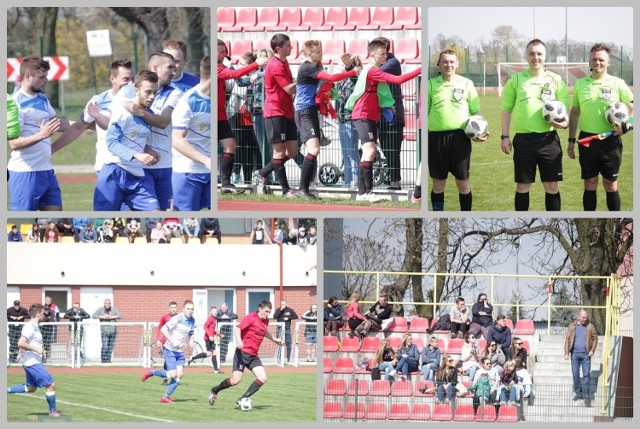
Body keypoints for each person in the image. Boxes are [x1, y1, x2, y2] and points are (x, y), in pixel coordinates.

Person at [345, 39, 422, 202]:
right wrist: (421, 69)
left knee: (368, 152)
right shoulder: (372, 71)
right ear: (372, 54)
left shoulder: (372, 69)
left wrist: (386, 107)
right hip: (362, 114)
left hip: (370, 115)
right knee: (370, 150)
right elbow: (398, 80)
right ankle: (367, 192)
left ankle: (362, 192)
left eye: (386, 53)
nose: (385, 56)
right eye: (382, 54)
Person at [501, 39, 569, 211]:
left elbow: (564, 110)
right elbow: (506, 110)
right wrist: (505, 137)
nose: (535, 57)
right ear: (527, 56)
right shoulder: (516, 80)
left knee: (552, 187)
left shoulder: (556, 80)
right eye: (531, 53)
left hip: (549, 140)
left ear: (545, 56)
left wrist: (565, 123)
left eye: (539, 54)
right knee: (522, 187)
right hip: (524, 141)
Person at [568, 43, 634, 211]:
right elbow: (575, 112)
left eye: (601, 59)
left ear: (608, 62)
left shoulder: (617, 83)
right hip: (587, 139)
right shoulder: (581, 84)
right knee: (589, 183)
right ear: (589, 62)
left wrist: (628, 125)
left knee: (610, 184)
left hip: (610, 139)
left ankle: (614, 225)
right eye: (594, 59)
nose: (597, 62)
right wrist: (571, 140)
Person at [293, 40, 360, 199]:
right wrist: (351, 72)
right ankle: (302, 189)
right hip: (304, 112)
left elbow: (327, 85)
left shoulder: (314, 67)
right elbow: (332, 77)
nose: (321, 53)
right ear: (309, 54)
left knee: (314, 151)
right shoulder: (307, 67)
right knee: (313, 150)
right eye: (318, 51)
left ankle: (306, 188)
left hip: (311, 111)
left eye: (321, 50)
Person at [8, 56, 74, 211]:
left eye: (46, 76)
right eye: (41, 77)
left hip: (47, 171)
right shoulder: (15, 103)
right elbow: (14, 143)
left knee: (54, 219)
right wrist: (41, 135)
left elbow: (58, 123)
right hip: (24, 174)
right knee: (25, 224)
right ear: (27, 77)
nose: (46, 80)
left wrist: (85, 124)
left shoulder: (42, 99)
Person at [93, 69, 161, 210]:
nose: (152, 96)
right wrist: (137, 155)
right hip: (114, 172)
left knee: (155, 212)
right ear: (136, 90)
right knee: (106, 220)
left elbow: (131, 138)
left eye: (155, 92)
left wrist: (149, 151)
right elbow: (111, 143)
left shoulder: (147, 114)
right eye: (148, 92)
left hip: (137, 175)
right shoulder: (124, 112)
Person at [428, 50, 486, 211]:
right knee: (438, 185)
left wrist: (481, 130)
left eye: (452, 62)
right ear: (439, 64)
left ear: (457, 64)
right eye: (445, 62)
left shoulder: (466, 83)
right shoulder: (430, 85)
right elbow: (424, 112)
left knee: (463, 183)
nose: (448, 65)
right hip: (436, 140)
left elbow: (476, 112)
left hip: (461, 138)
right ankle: (438, 214)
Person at [208, 300, 285, 406]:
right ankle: (215, 390)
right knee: (236, 380)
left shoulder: (265, 321)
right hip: (242, 353)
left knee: (263, 377)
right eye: (266, 311)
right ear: (260, 309)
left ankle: (243, 398)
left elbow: (264, 332)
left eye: (269, 312)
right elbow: (237, 329)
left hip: (253, 355)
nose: (267, 314)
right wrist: (239, 341)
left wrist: (275, 339)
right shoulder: (251, 318)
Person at [217, 40, 268, 194]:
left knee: (231, 146)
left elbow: (235, 76)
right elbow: (234, 75)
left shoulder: (222, 66)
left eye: (224, 50)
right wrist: (255, 64)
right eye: (219, 50)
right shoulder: (215, 68)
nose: (223, 53)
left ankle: (226, 183)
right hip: (214, 116)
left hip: (222, 115)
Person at [252, 33, 298, 198]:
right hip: (275, 112)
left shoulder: (284, 63)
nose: (291, 47)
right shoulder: (276, 65)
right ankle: (285, 190)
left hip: (287, 111)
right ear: (278, 48)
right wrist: (304, 80)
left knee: (292, 151)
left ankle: (262, 172)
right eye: (288, 45)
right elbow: (288, 89)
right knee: (279, 152)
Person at [172, 56, 214, 210]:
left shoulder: (217, 99)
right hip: (188, 171)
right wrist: (205, 160)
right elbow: (177, 140)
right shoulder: (188, 101)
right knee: (188, 220)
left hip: (210, 172)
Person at [6, 303, 62, 417]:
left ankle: (6, 390)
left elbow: (34, 343)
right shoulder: (30, 326)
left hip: (31, 362)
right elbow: (21, 343)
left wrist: (41, 350)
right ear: (38, 315)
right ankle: (52, 411)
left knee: (31, 388)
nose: (44, 315)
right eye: (42, 313)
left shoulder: (35, 326)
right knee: (51, 384)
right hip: (32, 363)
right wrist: (37, 349)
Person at [142, 300, 195, 403]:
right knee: (172, 375)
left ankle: (165, 397)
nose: (190, 311)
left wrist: (191, 342)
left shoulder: (192, 320)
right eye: (188, 309)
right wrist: (173, 341)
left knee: (179, 375)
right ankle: (151, 372)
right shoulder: (177, 318)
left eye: (192, 309)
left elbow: (191, 333)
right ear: (183, 309)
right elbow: (163, 329)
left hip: (179, 352)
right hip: (170, 349)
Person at [374, 37, 405, 191]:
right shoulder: (381, 64)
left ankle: (395, 182)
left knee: (393, 149)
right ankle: (392, 179)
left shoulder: (392, 63)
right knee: (387, 149)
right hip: (381, 114)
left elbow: (374, 73)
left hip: (393, 114)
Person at [335, 54, 361, 189]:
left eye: (339, 64)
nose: (337, 67)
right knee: (345, 153)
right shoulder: (339, 81)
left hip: (350, 119)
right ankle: (346, 182)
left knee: (352, 153)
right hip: (341, 119)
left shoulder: (353, 80)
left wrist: (349, 65)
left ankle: (357, 182)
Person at [564, 309, 598, 407]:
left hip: (586, 355)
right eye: (583, 317)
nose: (585, 319)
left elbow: (595, 338)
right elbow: (567, 339)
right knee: (575, 374)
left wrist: (592, 350)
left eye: (586, 317)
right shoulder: (572, 326)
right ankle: (579, 392)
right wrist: (566, 353)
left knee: (586, 375)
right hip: (574, 354)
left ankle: (586, 396)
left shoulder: (590, 326)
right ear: (578, 317)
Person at [188, 305, 223, 373]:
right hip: (208, 339)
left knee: (212, 353)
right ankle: (193, 358)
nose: (215, 312)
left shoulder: (214, 319)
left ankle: (216, 370)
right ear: (210, 312)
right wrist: (209, 336)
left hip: (212, 338)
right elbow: (205, 326)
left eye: (216, 311)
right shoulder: (210, 318)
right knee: (211, 353)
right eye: (214, 311)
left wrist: (219, 334)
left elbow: (212, 330)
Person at [155, 301, 179, 385]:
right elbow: (159, 328)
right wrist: (158, 339)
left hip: (176, 342)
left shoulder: (180, 317)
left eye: (174, 307)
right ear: (169, 308)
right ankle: (165, 378)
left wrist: (186, 342)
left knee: (176, 361)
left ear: (177, 308)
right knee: (167, 361)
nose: (173, 309)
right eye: (172, 307)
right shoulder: (164, 317)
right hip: (167, 342)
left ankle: (174, 379)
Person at [92, 299, 122, 363]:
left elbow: (120, 316)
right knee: (105, 346)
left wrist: (111, 317)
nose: (107, 304)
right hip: (104, 331)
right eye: (106, 303)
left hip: (113, 331)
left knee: (110, 346)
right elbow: (94, 315)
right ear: (104, 304)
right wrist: (103, 317)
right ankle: (103, 359)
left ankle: (108, 360)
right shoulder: (100, 309)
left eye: (109, 303)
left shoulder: (114, 309)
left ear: (110, 304)